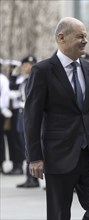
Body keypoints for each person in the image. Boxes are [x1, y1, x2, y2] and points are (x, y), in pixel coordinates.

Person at [24, 17, 89, 220]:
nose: (85, 41)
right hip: (58, 155)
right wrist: (35, 157)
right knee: (59, 214)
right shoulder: (43, 71)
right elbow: (31, 117)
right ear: (61, 38)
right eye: (80, 36)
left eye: (86, 36)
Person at [14, 55, 40, 188]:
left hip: (28, 114)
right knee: (24, 146)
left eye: (27, 65)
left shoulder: (35, 80)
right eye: (23, 65)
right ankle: (28, 176)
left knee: (29, 147)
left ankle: (33, 178)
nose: (24, 68)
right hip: (21, 114)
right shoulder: (24, 80)